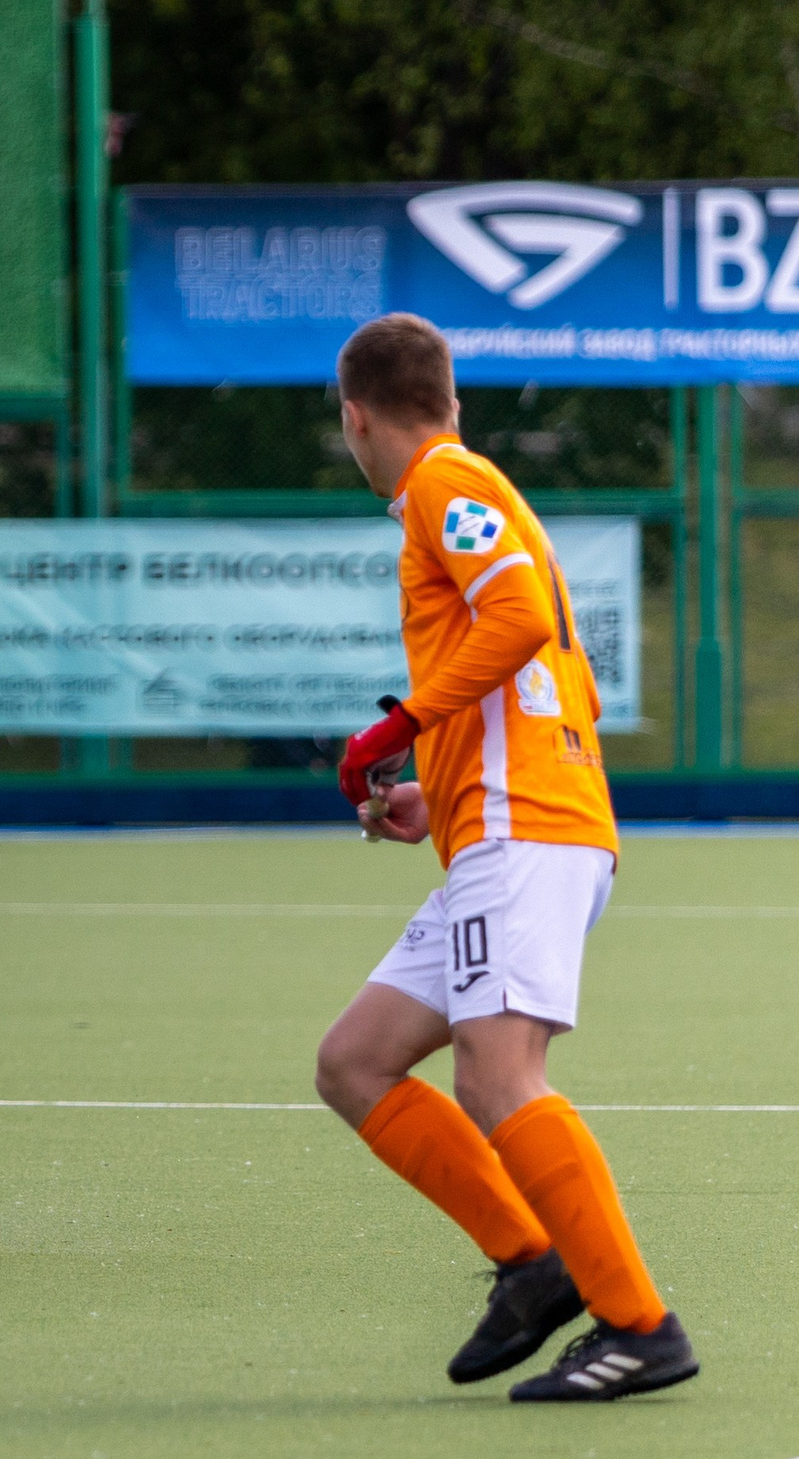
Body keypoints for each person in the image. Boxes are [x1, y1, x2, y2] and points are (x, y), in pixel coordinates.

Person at [312, 313, 696, 1401]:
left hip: (526, 832)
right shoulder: (461, 482)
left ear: (354, 417)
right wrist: (426, 802)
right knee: (355, 1061)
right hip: (500, 822)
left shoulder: (439, 481)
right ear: (453, 399)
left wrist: (392, 729)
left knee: (496, 1075)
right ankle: (532, 1264)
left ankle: (638, 1324)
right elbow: (523, 682)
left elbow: (519, 617)